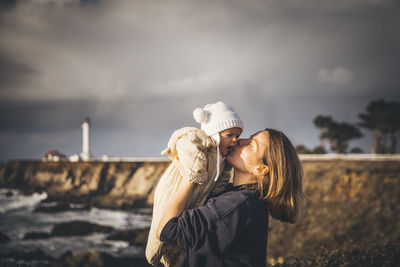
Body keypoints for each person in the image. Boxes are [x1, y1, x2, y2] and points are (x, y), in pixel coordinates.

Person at [156, 128, 306, 267]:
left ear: (260, 169)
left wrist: (190, 178)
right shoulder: (245, 200)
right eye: (249, 138)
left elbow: (166, 230)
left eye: (251, 145)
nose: (240, 141)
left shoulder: (234, 207)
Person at [146, 101, 244, 266]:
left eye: (237, 136)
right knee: (161, 219)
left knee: (179, 237)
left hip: (195, 194)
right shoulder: (200, 139)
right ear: (214, 132)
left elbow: (220, 180)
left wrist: (219, 187)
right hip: (175, 187)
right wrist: (195, 171)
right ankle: (152, 255)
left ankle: (170, 260)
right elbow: (184, 143)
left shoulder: (222, 158)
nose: (235, 140)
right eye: (229, 135)